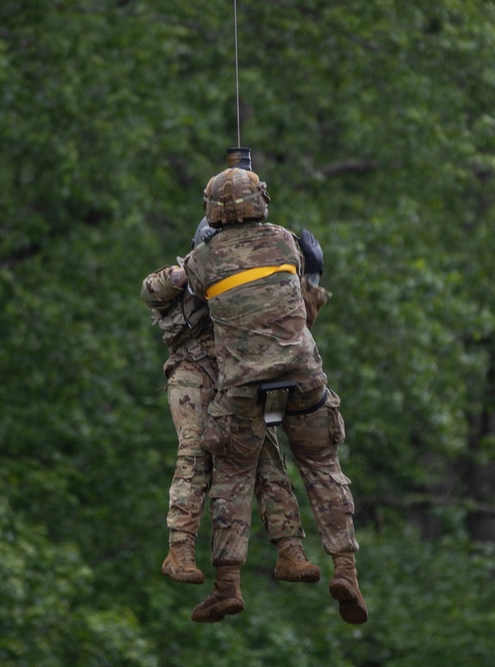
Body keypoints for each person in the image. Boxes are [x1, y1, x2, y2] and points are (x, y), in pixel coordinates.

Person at [182, 154, 368, 625]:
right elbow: (297, 309)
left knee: (233, 474)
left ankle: (227, 586)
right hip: (304, 379)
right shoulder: (285, 241)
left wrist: (200, 246)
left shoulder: (202, 260)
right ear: (260, 201)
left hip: (244, 389)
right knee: (324, 466)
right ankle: (346, 570)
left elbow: (197, 297)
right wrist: (316, 277)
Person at [141, 220, 325, 592]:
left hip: (236, 377)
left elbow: (294, 323)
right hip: (193, 372)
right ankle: (180, 550)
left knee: (267, 457)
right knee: (194, 455)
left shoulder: (250, 280)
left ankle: (290, 549)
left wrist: (313, 277)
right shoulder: (187, 271)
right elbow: (152, 290)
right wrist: (195, 267)